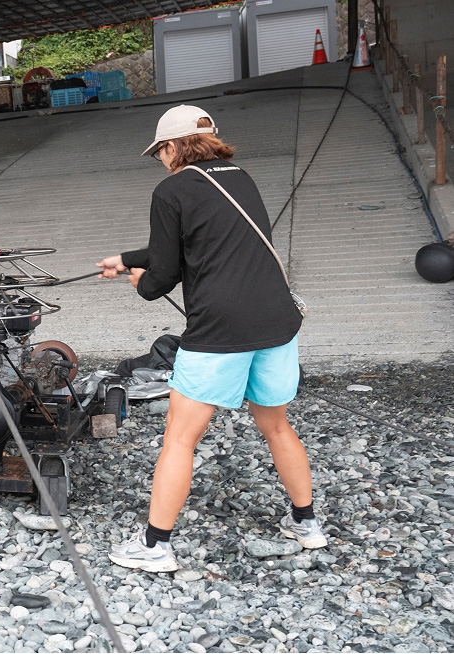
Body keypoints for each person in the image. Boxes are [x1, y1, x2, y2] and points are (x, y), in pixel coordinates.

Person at [95, 104, 326, 572]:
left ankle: (155, 546)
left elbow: (162, 275)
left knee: (180, 438)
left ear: (173, 146)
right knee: (277, 426)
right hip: (276, 320)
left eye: (160, 151)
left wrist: (139, 281)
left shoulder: (171, 190)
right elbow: (197, 240)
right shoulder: (241, 178)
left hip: (220, 329)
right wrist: (127, 257)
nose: (160, 159)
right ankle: (307, 524)